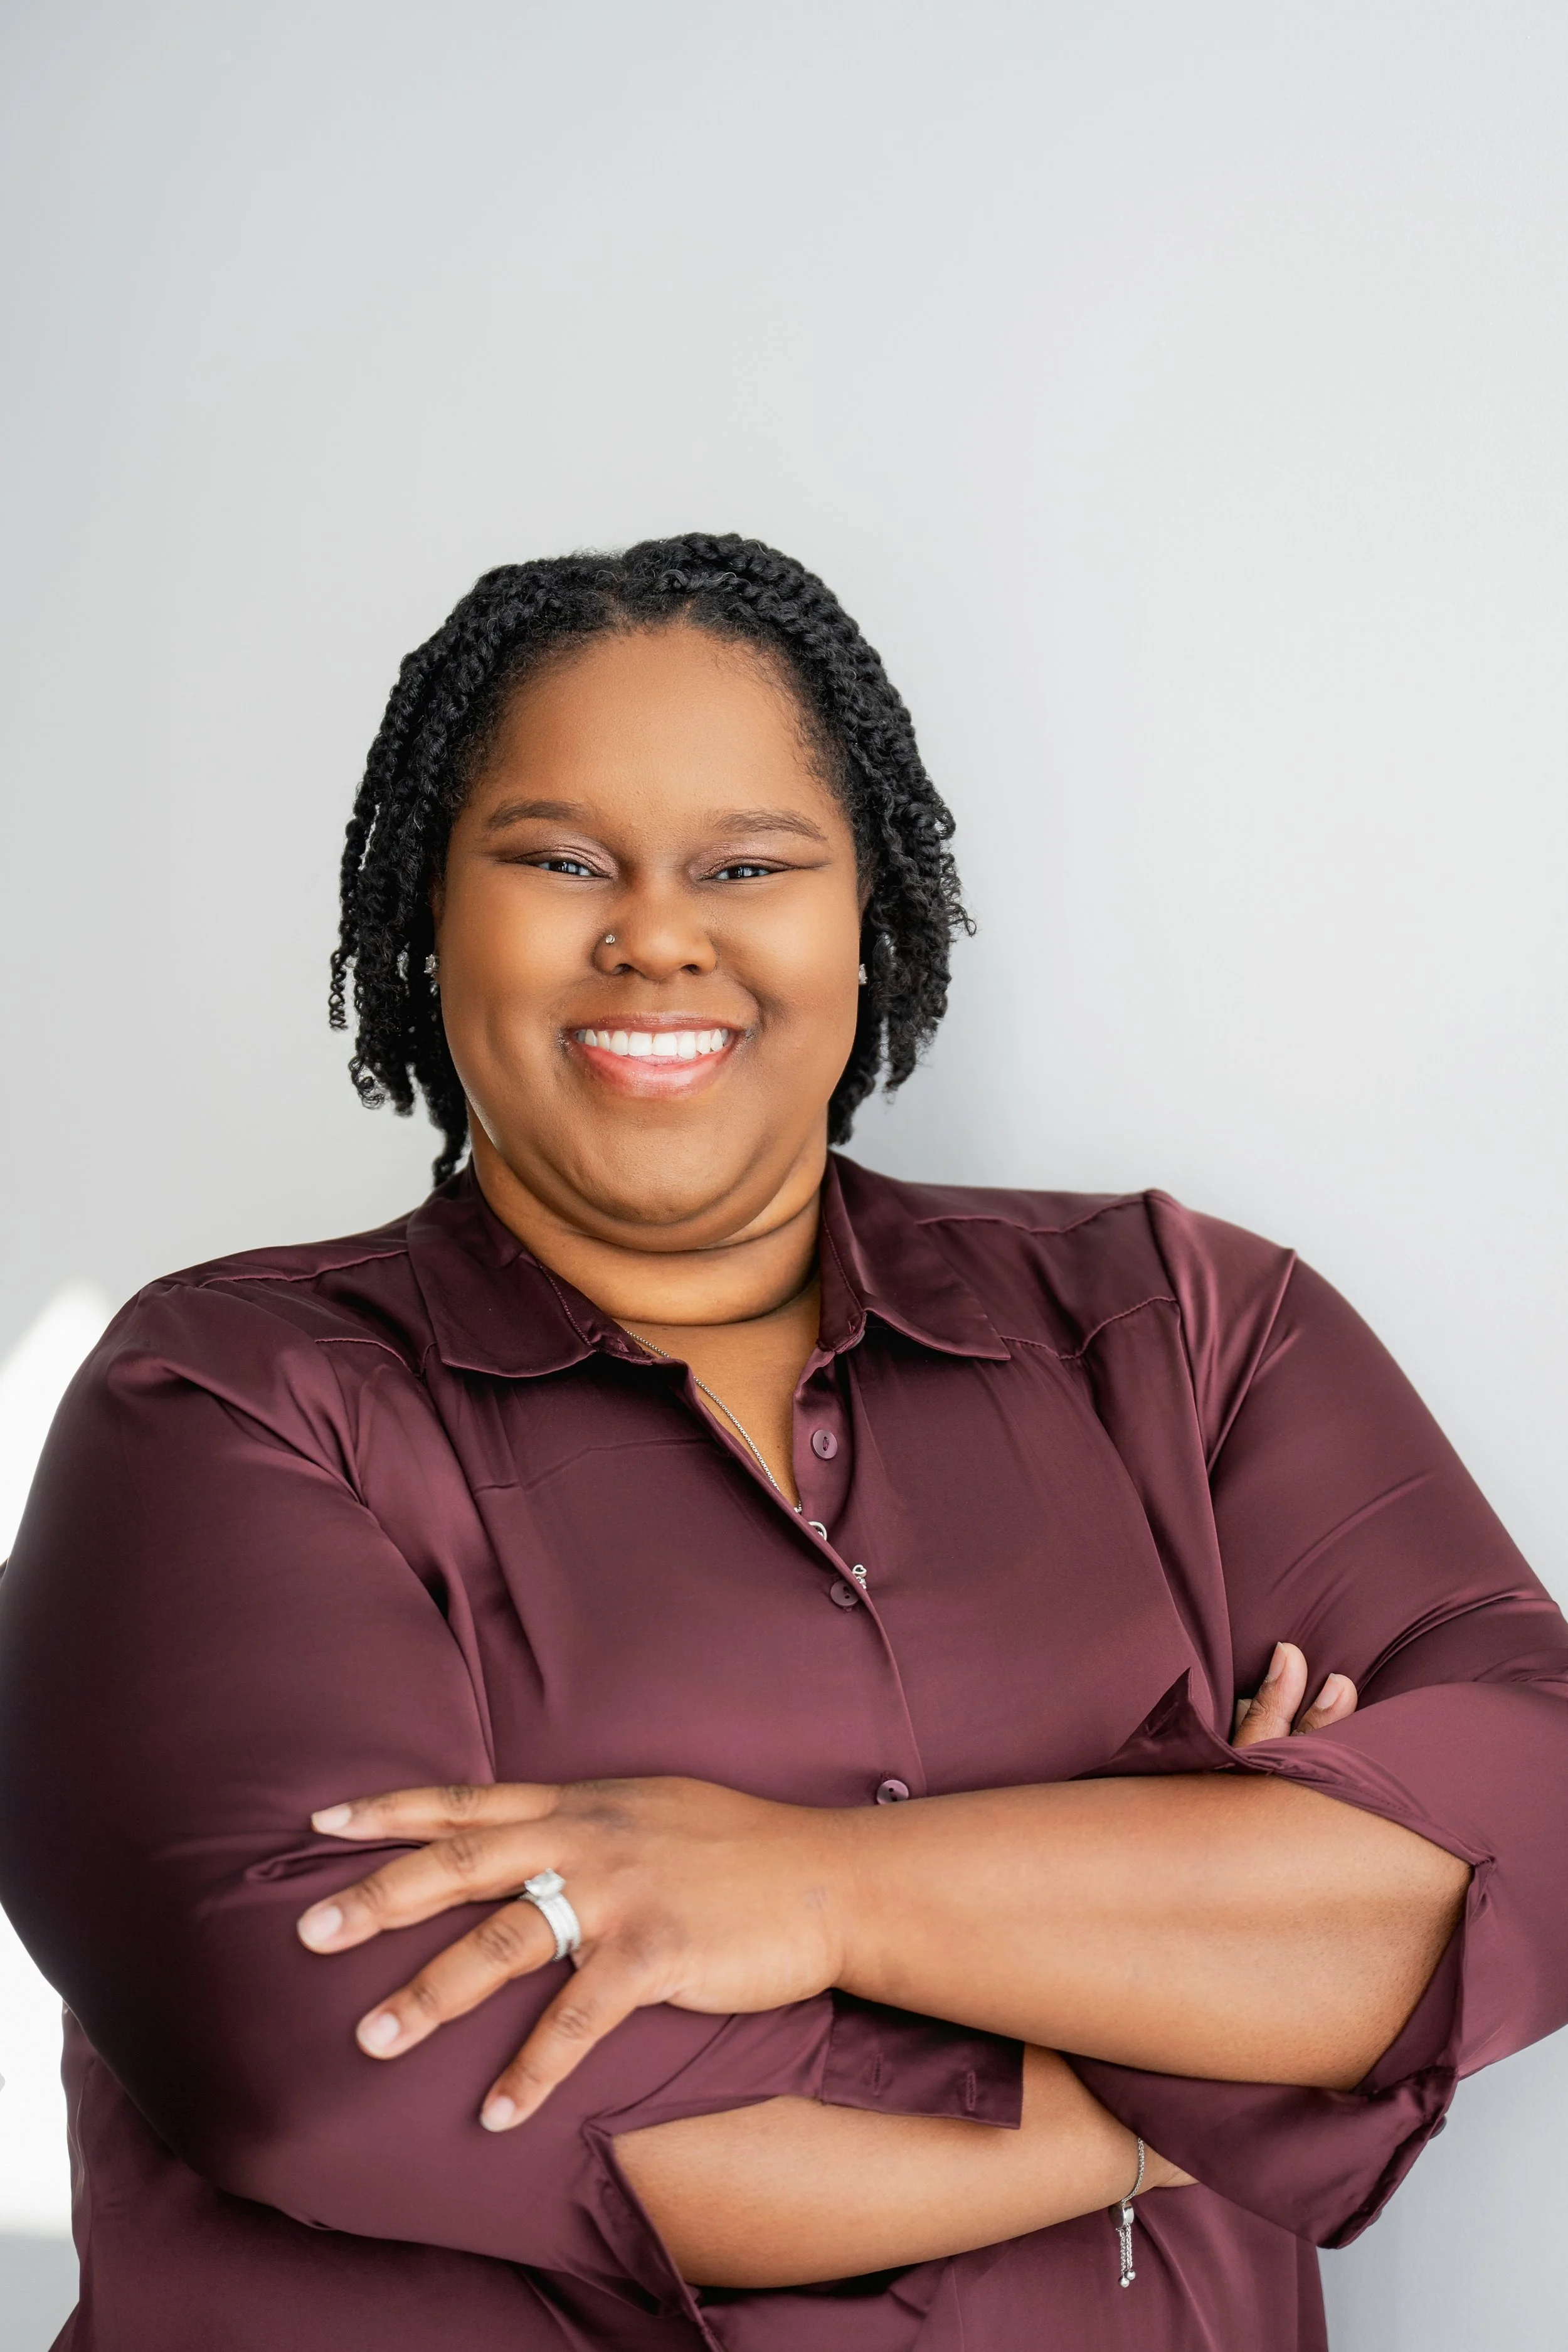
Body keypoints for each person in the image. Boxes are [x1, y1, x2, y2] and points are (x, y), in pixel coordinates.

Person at [1, 534, 1564, 2352]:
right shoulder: (220, 1405)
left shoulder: (1183, 1328)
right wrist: (1217, 2028)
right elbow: (371, 2079)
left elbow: (1522, 1823)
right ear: (431, 909)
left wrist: (803, 1888)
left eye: (747, 864)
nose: (657, 930)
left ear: (867, 917)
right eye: (558, 858)